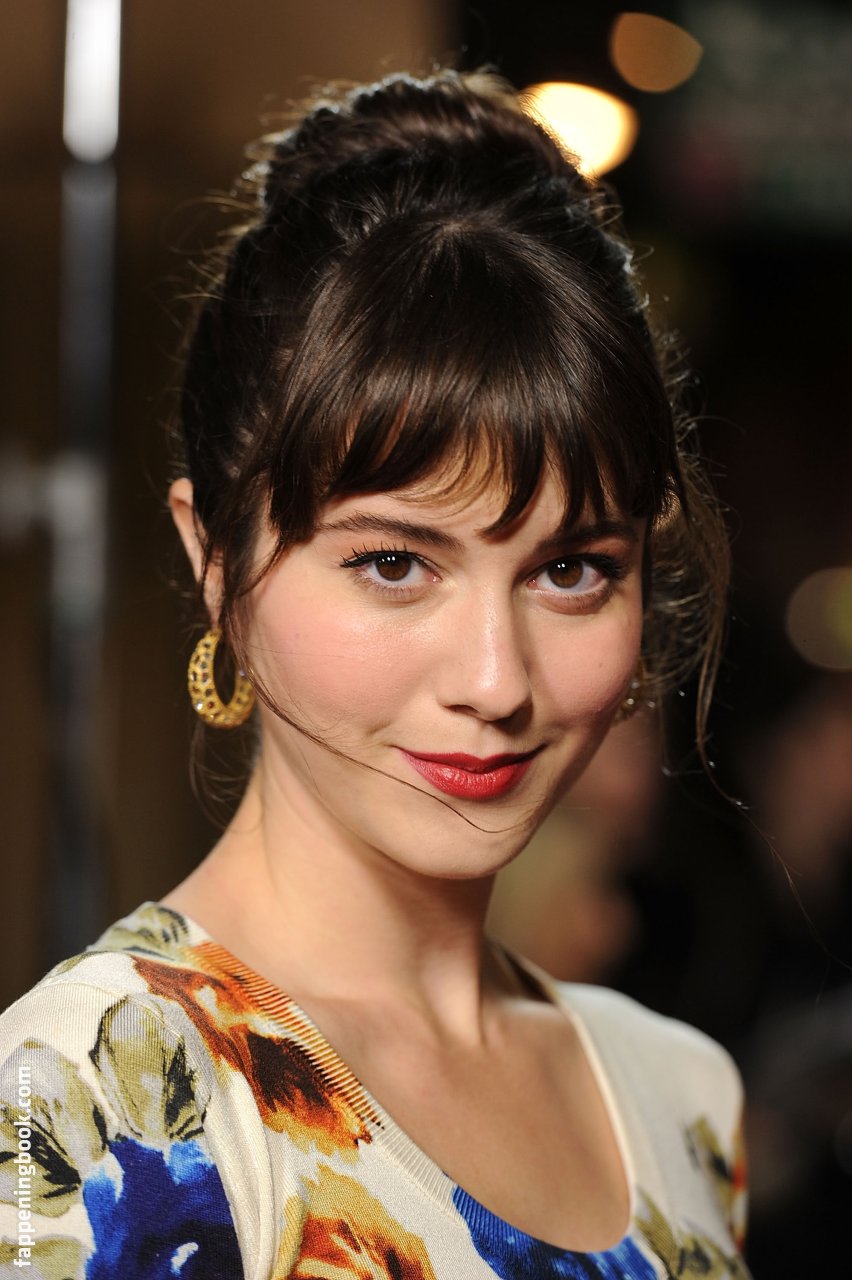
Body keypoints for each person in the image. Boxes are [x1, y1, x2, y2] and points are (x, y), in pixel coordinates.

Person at [0, 70, 748, 1279]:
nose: (496, 680)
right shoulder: (97, 1100)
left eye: (571, 569)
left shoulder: (681, 1096)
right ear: (215, 558)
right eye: (395, 562)